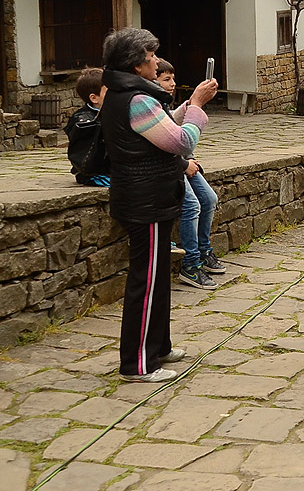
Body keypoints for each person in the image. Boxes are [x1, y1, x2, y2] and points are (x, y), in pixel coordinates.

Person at [100, 28, 218, 383]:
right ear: (136, 65)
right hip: (145, 201)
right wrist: (195, 109)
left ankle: (159, 346)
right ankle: (137, 364)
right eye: (151, 57)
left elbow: (161, 126)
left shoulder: (130, 95)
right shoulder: (136, 100)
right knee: (146, 282)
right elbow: (180, 142)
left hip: (150, 198)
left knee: (158, 277)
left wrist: (188, 106)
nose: (156, 61)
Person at [155, 59, 227, 290]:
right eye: (166, 79)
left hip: (182, 162)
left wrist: (189, 106)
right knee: (192, 205)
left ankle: (204, 251)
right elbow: (169, 142)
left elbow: (171, 125)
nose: (172, 84)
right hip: (172, 166)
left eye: (173, 78)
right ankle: (191, 264)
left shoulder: (161, 104)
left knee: (209, 199)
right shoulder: (147, 104)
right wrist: (183, 163)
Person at [64, 67, 110, 187]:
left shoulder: (111, 112)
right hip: (94, 173)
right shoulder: (83, 119)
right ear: (94, 98)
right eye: (109, 91)